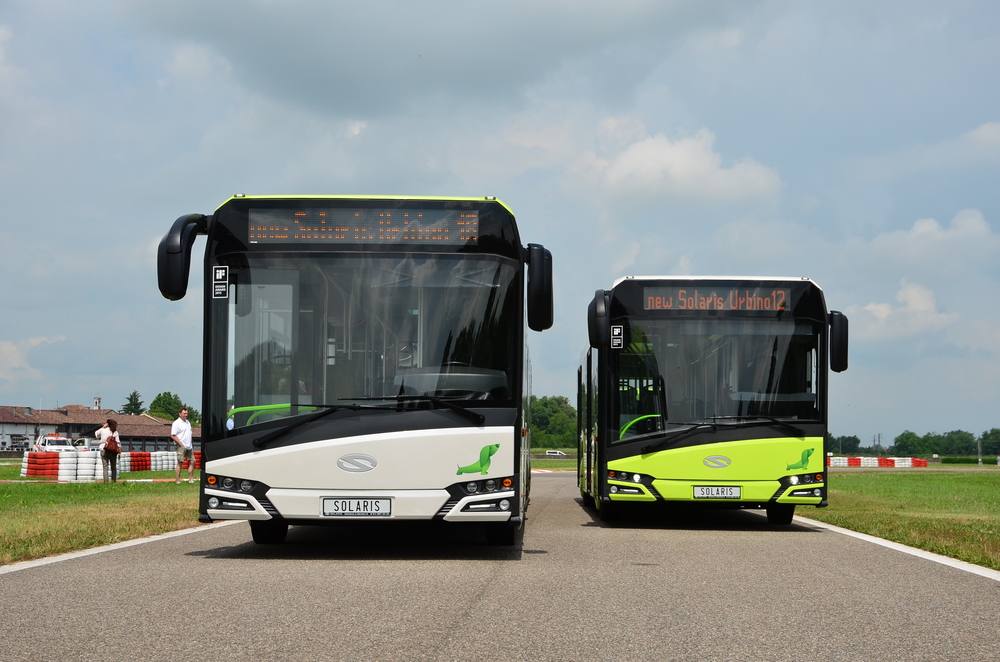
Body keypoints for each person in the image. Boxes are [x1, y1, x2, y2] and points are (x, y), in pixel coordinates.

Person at [171, 407, 195, 484]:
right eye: (184, 413)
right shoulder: (176, 423)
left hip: (189, 446)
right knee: (180, 462)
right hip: (181, 445)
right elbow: (173, 435)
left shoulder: (188, 422)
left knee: (192, 461)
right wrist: (180, 443)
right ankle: (177, 480)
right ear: (180, 414)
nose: (186, 415)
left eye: (187, 413)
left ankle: (191, 479)